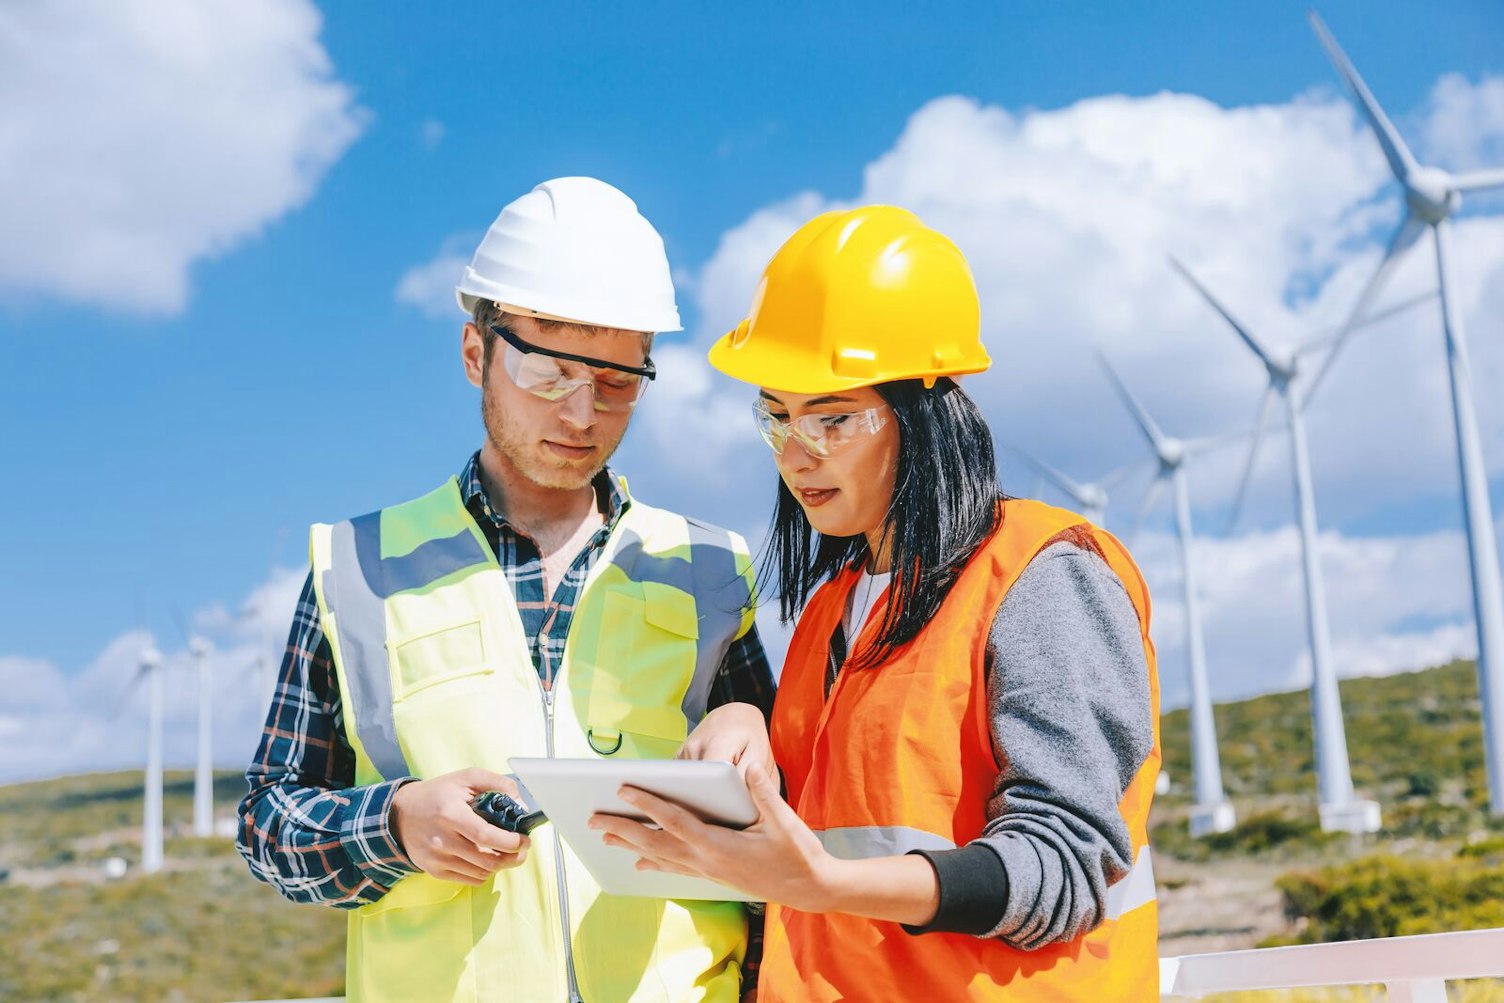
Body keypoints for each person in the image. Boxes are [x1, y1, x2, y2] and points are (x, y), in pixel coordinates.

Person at [591, 206, 1162, 1000]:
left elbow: (1063, 867)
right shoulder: (831, 611)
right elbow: (829, 827)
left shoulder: (1041, 575)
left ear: (929, 414)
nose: (796, 455)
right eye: (778, 417)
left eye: (833, 418)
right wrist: (745, 724)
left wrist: (828, 881)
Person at [237, 177, 776, 1003]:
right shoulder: (357, 566)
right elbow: (268, 824)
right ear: (474, 352)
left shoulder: (709, 568)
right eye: (551, 372)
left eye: (619, 382)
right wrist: (394, 823)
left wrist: (751, 723)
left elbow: (783, 836)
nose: (582, 414)